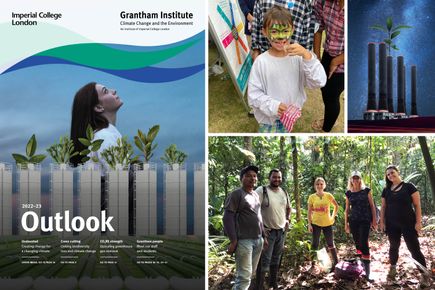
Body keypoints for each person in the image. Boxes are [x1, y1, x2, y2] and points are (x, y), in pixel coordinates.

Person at [248, 6, 326, 133]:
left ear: (292, 30)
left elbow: (319, 81)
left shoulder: (300, 58)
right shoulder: (261, 62)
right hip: (268, 119)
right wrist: (274, 106)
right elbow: (254, 95)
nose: (280, 37)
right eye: (274, 31)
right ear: (264, 32)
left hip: (290, 115)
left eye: (285, 31)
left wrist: (307, 56)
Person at [379, 165, 430, 286]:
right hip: (392, 224)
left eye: (392, 172)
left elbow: (417, 205)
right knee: (393, 247)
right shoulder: (386, 190)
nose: (391, 175)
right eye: (388, 174)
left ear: (398, 172)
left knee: (414, 249)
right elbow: (384, 207)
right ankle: (392, 270)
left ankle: (424, 275)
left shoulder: (409, 187)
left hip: (409, 224)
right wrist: (382, 222)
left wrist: (418, 222)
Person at [223, 165, 266, 290]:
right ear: (241, 178)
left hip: (258, 240)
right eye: (248, 176)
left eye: (254, 176)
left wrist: (264, 236)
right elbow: (227, 217)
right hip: (244, 241)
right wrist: (233, 241)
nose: (252, 178)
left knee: (249, 274)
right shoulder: (236, 194)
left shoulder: (255, 195)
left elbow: (259, 217)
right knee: (244, 276)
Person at [70, 82, 123, 171]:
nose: (114, 91)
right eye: (106, 91)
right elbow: (119, 178)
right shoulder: (104, 137)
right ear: (98, 107)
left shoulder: (103, 135)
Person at [254, 169, 291, 289]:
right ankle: (259, 286)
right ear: (269, 178)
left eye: (279, 177)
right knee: (264, 260)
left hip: (281, 231)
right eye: (274, 177)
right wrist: (261, 227)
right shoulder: (262, 190)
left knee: (276, 258)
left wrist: (287, 219)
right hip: (267, 231)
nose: (277, 179)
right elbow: (254, 209)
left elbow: (288, 207)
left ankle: (273, 283)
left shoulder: (283, 191)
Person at [312, 0, 344, 132]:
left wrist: (336, 61)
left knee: (332, 95)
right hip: (328, 52)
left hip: (347, 58)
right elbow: (318, 28)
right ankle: (329, 118)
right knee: (325, 89)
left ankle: (327, 128)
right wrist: (317, 57)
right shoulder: (323, 2)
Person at [251, 0, 315, 61]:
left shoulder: (304, 2)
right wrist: (256, 49)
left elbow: (308, 29)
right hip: (265, 54)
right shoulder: (261, 62)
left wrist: (305, 52)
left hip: (293, 56)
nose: (280, 36)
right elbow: (256, 22)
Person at [344, 171, 377, 280]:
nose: (356, 180)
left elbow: (372, 206)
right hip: (353, 221)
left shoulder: (366, 190)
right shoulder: (348, 193)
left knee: (364, 242)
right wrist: (346, 224)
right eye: (354, 178)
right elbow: (347, 209)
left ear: (360, 179)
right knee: (357, 242)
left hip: (365, 220)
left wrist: (374, 220)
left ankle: (368, 273)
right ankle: (362, 264)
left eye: (357, 178)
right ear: (351, 180)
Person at [307, 177, 339, 268]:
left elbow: (336, 206)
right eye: (317, 184)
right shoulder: (312, 197)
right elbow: (309, 211)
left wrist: (333, 217)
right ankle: (312, 265)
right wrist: (309, 224)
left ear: (324, 185)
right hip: (315, 223)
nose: (319, 186)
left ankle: (336, 263)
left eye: (321, 184)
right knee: (315, 243)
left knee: (330, 243)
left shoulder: (328, 195)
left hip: (327, 223)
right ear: (315, 186)